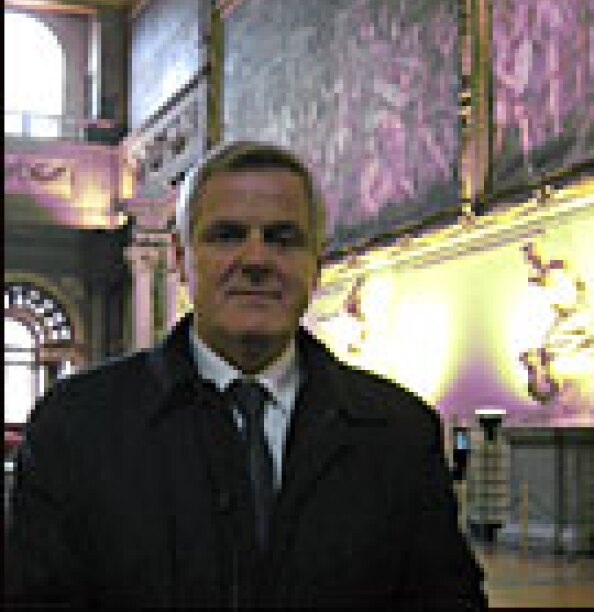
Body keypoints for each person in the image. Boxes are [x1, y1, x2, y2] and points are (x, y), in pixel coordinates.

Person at [5, 141, 488, 608]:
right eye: (227, 235)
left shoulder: (399, 433)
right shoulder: (77, 425)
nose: (256, 260)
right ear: (180, 257)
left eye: (283, 238)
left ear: (316, 263)